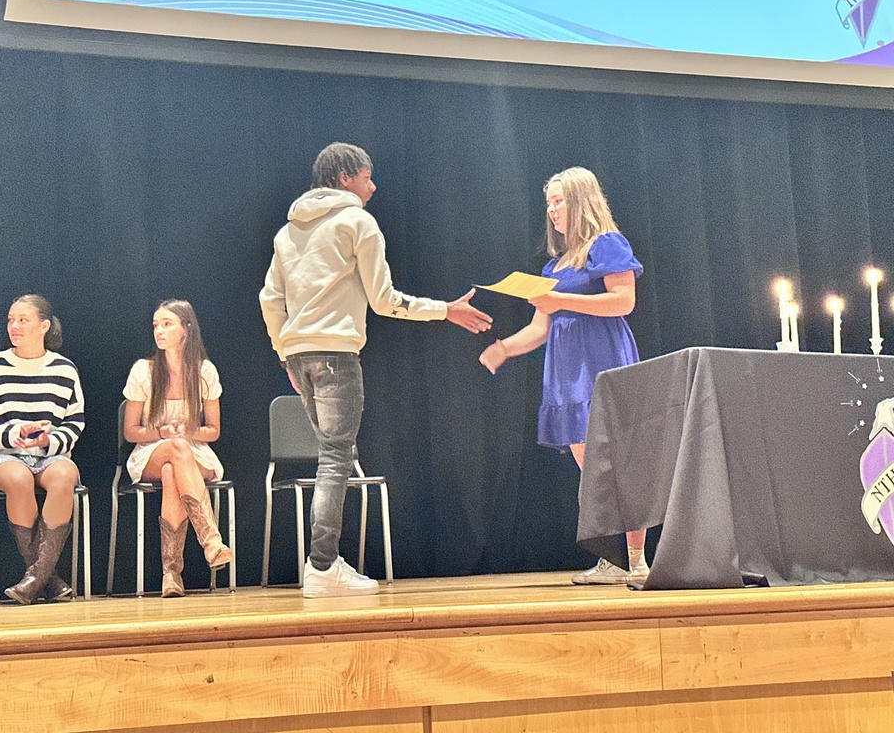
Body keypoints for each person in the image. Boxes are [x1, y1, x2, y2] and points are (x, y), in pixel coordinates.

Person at [259, 141, 493, 598]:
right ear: (345, 177)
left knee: (331, 456)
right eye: (367, 177)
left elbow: (270, 299)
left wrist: (285, 352)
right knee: (335, 458)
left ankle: (325, 565)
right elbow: (384, 300)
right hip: (335, 353)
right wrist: (445, 310)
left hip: (301, 355)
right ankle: (323, 566)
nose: (373, 186)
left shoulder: (287, 233)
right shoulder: (357, 222)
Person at [478, 166, 649, 585]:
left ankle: (637, 559)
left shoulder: (607, 244)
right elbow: (540, 328)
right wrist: (503, 348)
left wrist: (561, 299)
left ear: (580, 200)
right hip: (567, 371)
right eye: (549, 203)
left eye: (558, 201)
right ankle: (611, 560)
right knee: (592, 470)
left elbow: (623, 301)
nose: (552, 210)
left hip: (604, 360)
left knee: (621, 465)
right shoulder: (555, 266)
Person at [0, 294, 84, 605]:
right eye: (10, 320)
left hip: (50, 454)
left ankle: (36, 578)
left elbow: (75, 423)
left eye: (23, 320)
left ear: (44, 326)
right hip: (3, 455)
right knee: (19, 478)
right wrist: (12, 435)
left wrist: (47, 440)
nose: (14, 326)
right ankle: (47, 579)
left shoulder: (65, 369)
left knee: (64, 475)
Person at [122, 299, 233, 597]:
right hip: (151, 451)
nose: (159, 331)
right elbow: (130, 432)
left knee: (174, 471)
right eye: (156, 325)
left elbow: (214, 431)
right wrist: (162, 431)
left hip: (192, 451)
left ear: (186, 328)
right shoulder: (143, 371)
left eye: (167, 324)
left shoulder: (204, 371)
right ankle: (210, 538)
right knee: (174, 450)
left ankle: (171, 574)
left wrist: (188, 429)